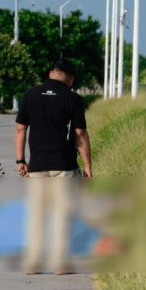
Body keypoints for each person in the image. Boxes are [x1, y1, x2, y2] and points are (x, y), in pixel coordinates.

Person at [14, 59, 93, 275]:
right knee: (62, 214)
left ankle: (33, 263)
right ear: (71, 78)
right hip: (64, 166)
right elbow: (80, 135)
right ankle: (60, 264)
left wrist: (20, 161)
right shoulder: (73, 98)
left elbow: (21, 130)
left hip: (37, 166)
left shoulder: (30, 95)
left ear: (51, 73)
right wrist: (87, 166)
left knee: (36, 215)